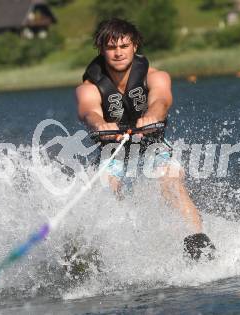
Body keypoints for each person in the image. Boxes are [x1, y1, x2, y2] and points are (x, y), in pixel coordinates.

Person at [76, 18, 215, 260]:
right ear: (101, 50)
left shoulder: (156, 76)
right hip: (114, 150)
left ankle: (198, 244)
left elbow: (161, 100)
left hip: (152, 144)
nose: (118, 53)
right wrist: (101, 124)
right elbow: (88, 111)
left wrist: (151, 116)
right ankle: (99, 255)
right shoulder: (89, 87)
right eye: (111, 47)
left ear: (135, 47)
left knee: (170, 181)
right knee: (104, 189)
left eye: (124, 46)